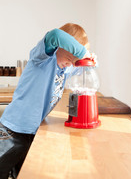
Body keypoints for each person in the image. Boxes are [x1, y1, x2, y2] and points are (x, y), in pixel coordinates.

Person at [0, 23, 93, 179]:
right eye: (69, 57)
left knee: (21, 174)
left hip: (32, 133)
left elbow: (86, 67)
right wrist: (82, 52)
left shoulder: (66, 67)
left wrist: (89, 58)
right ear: (59, 47)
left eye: (74, 61)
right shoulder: (42, 58)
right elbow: (55, 34)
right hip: (12, 131)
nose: (70, 63)